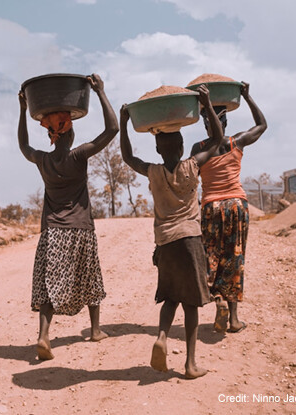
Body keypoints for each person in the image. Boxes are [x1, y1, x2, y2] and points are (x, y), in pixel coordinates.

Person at [119, 85, 223, 379]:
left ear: (157, 149)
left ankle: (162, 337)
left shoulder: (152, 171)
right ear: (180, 147)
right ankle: (190, 364)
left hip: (165, 243)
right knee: (191, 303)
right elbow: (216, 139)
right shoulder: (192, 166)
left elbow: (127, 157)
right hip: (190, 240)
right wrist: (206, 104)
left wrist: (125, 123)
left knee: (170, 297)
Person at [18, 73, 119, 360]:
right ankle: (95, 329)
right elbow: (112, 130)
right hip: (81, 229)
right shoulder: (78, 156)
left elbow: (23, 146)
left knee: (51, 284)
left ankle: (43, 336)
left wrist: (22, 110)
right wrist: (100, 92)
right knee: (90, 279)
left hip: (53, 232)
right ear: (68, 133)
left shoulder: (44, 160)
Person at [190, 82, 267, 334]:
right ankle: (233, 319)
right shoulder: (237, 142)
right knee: (234, 258)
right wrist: (247, 95)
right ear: (226, 123)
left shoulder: (198, 149)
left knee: (211, 257)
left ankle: (218, 301)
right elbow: (262, 125)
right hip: (236, 205)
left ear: (205, 122)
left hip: (212, 206)